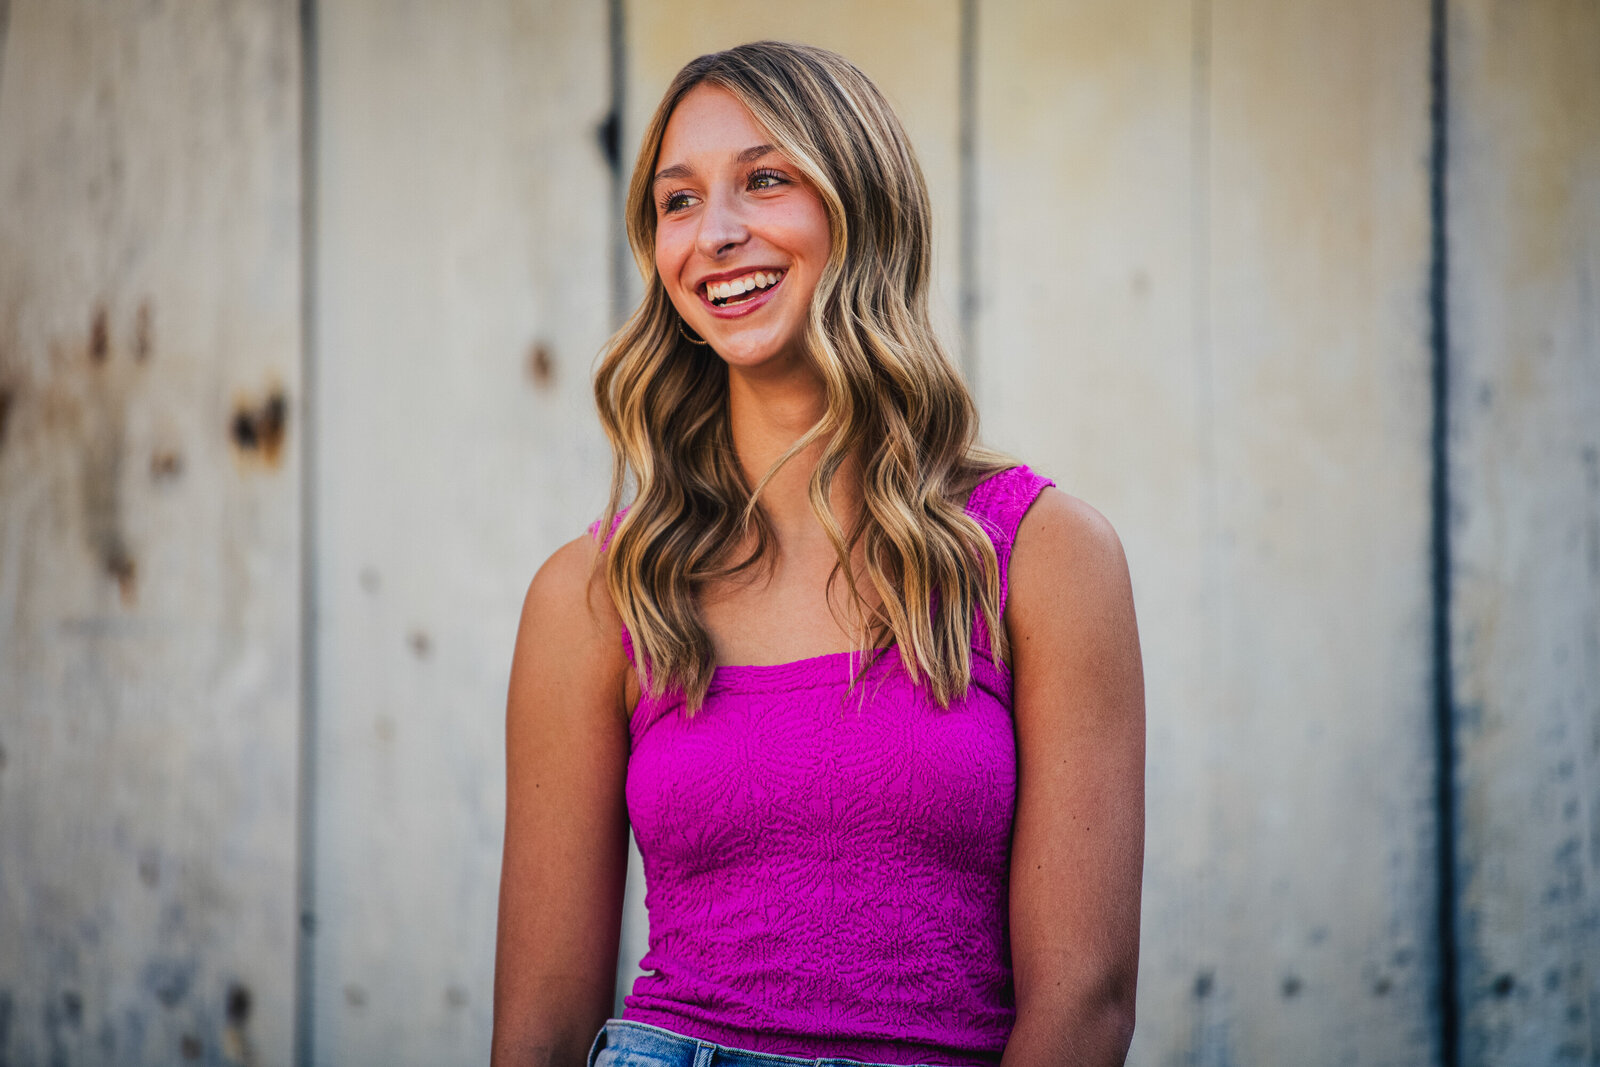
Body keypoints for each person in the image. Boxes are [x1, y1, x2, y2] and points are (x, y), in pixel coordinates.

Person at [492, 41, 1144, 1067]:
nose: (713, 233)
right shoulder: (594, 592)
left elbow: (1086, 1004)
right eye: (676, 200)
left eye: (764, 178)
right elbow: (535, 1031)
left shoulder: (1044, 555)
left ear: (861, 207)